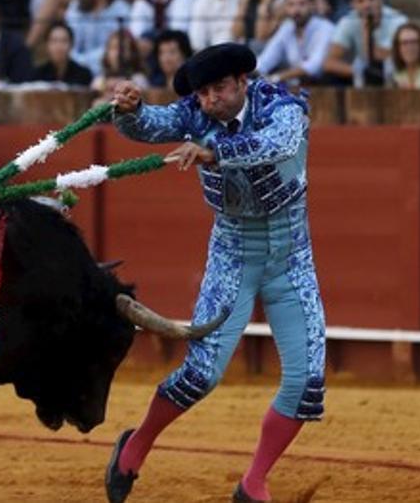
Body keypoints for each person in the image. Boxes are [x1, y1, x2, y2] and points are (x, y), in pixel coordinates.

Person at [106, 43, 326, 503]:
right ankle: (138, 441)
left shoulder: (281, 105)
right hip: (233, 254)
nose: (210, 100)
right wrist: (130, 108)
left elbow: (280, 143)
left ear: (243, 81)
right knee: (202, 373)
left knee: (307, 383)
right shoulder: (193, 111)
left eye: (220, 88)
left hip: (291, 257)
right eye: (203, 93)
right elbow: (150, 125)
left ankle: (254, 482)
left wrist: (214, 151)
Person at [322, 0, 407, 87]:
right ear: (353, 4)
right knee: (329, 78)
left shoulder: (397, 21)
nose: (367, 5)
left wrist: (367, 33)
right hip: (360, 75)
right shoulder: (348, 21)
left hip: (393, 74)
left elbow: (392, 57)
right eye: (360, 1)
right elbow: (329, 63)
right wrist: (360, 72)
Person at [255, 0, 334, 86]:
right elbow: (265, 60)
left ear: (312, 5)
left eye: (302, 4)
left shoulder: (325, 28)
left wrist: (277, 77)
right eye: (291, 5)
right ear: (286, 8)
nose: (296, 10)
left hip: (325, 86)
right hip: (297, 87)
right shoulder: (287, 27)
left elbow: (315, 65)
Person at [65, 0, 130, 78]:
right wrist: (79, 63)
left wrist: (87, 62)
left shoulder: (121, 9)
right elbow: (70, 43)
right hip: (77, 69)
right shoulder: (75, 7)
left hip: (109, 71)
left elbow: (120, 46)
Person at [32, 20, 92, 87]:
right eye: (54, 41)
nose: (59, 46)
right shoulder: (37, 74)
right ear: (47, 45)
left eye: (64, 41)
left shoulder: (83, 74)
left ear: (71, 44)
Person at [92, 29, 148, 98]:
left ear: (132, 52)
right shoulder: (99, 81)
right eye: (113, 48)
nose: (118, 54)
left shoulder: (138, 80)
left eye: (123, 49)